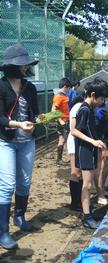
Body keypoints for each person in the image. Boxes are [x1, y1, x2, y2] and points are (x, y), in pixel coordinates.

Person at [0, 44, 39, 249]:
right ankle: (3, 232)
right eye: (23, 63)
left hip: (27, 141)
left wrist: (40, 120)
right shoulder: (1, 86)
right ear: (12, 66)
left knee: (24, 182)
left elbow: (35, 112)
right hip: (5, 141)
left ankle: (20, 217)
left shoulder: (29, 87)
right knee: (6, 184)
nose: (26, 67)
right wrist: (17, 124)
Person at [71, 77, 108, 229]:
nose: (102, 102)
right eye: (101, 99)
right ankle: (87, 217)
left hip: (91, 149)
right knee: (87, 185)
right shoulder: (84, 109)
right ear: (93, 95)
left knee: (89, 182)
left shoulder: (90, 109)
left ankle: (89, 213)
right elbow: (74, 130)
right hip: (85, 150)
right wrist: (93, 142)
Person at [66, 90, 85, 211]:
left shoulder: (83, 107)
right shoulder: (78, 107)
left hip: (82, 142)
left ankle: (80, 200)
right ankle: (74, 203)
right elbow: (74, 129)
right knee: (75, 173)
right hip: (74, 142)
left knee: (81, 174)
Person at [52, 77, 72, 165]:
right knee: (62, 139)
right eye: (68, 88)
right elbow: (53, 110)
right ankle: (59, 159)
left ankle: (64, 158)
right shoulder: (59, 96)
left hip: (67, 120)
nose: (69, 90)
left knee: (66, 139)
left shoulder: (63, 95)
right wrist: (60, 121)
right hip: (63, 121)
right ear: (65, 86)